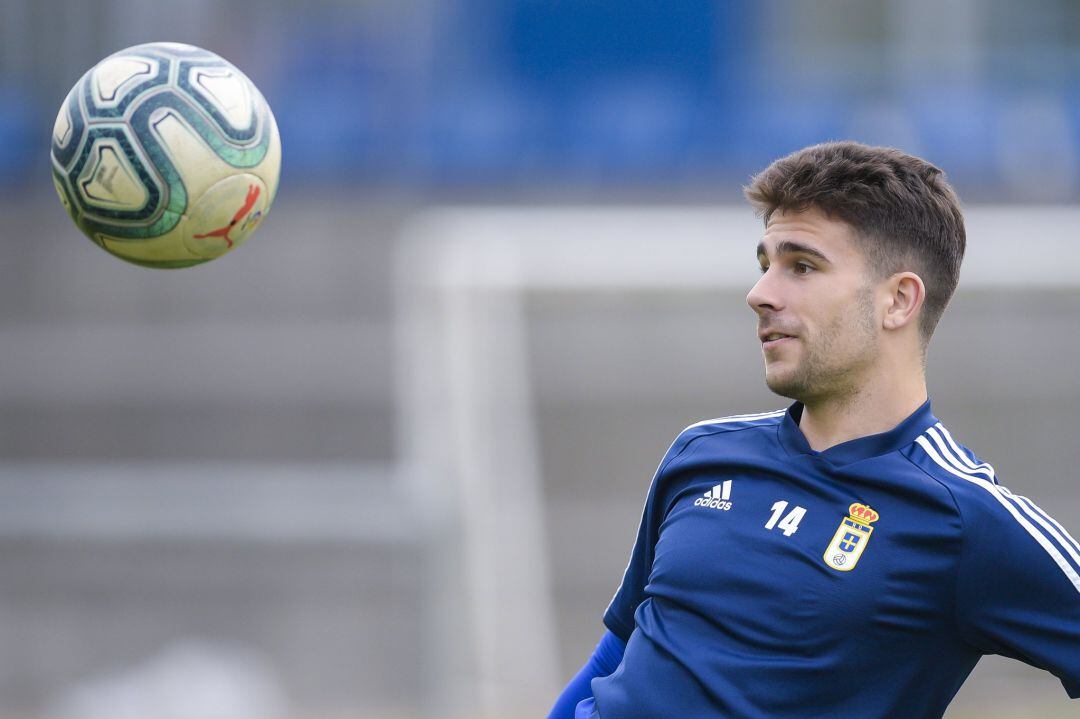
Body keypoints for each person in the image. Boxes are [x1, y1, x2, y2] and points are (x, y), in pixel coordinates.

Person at [547, 141, 1080, 719]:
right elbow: (618, 653)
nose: (760, 294)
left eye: (801, 266)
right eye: (765, 265)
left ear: (899, 300)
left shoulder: (962, 515)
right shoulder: (702, 453)